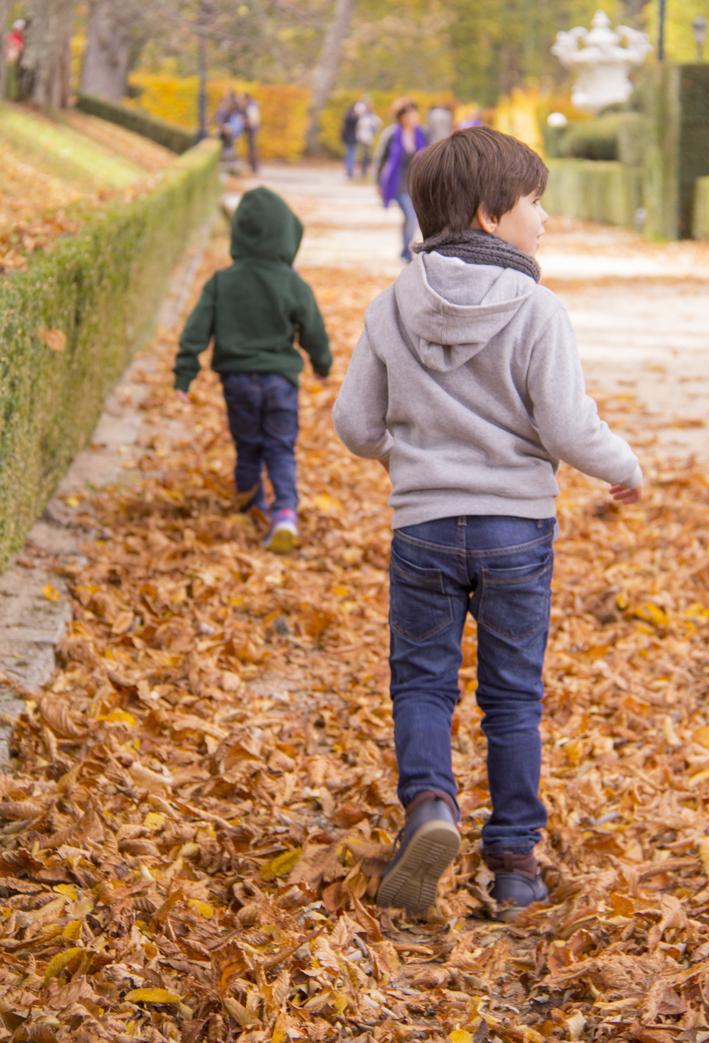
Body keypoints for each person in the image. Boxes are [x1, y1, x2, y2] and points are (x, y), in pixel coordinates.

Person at [333, 127, 643, 919]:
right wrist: (623, 467)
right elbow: (568, 428)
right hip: (515, 530)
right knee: (511, 696)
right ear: (487, 212)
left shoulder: (391, 303)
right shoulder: (537, 309)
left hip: (424, 528)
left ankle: (430, 805)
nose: (543, 215)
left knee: (423, 681)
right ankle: (512, 861)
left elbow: (355, 423)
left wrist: (405, 462)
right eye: (533, 201)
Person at [174, 188, 332, 553]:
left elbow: (195, 331)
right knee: (279, 447)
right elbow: (313, 327)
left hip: (238, 380)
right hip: (280, 381)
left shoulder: (222, 282)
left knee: (247, 448)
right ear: (286, 235)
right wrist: (320, 363)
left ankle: (250, 508)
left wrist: (185, 374)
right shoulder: (291, 282)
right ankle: (285, 512)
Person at [375, 97, 427, 262]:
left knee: (412, 218)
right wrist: (378, 183)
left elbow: (429, 156)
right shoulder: (391, 134)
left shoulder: (421, 134)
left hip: (416, 183)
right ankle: (406, 251)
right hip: (397, 182)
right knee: (410, 215)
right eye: (410, 115)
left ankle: (405, 248)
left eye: (415, 115)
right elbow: (381, 159)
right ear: (401, 117)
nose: (413, 118)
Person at [355, 98, 382, 178]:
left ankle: (364, 171)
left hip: (368, 138)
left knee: (367, 155)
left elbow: (378, 125)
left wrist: (374, 130)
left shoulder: (372, 117)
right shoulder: (363, 116)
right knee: (362, 155)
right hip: (362, 138)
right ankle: (362, 171)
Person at [341, 101, 363, 179]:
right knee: (351, 155)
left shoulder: (347, 116)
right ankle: (350, 171)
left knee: (349, 154)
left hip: (348, 138)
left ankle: (349, 170)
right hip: (351, 138)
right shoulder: (352, 117)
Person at [243, 92, 261, 174]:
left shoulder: (251, 106)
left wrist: (245, 123)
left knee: (252, 149)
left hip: (252, 131)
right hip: (252, 130)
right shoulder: (252, 105)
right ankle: (253, 168)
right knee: (252, 149)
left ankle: (254, 168)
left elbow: (253, 120)